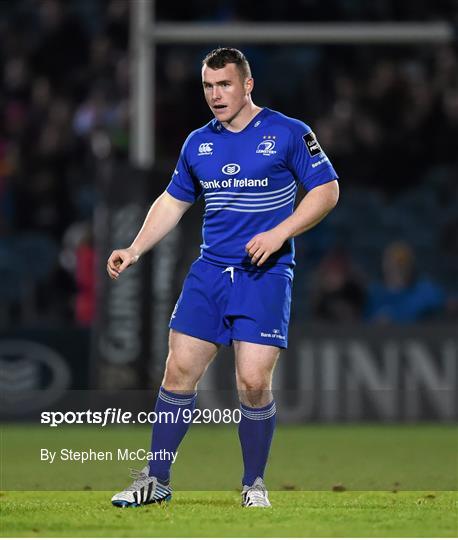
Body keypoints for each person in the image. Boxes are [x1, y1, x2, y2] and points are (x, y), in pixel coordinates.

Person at [107, 48, 339, 508]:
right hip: (209, 273)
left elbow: (328, 190)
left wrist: (280, 232)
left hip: (265, 275)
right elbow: (173, 202)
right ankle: (156, 480)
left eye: (225, 85)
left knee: (253, 383)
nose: (216, 95)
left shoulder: (290, 133)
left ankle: (254, 483)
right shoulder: (198, 143)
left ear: (247, 85)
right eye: (209, 87)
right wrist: (134, 248)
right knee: (177, 372)